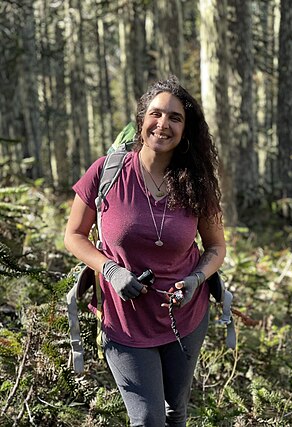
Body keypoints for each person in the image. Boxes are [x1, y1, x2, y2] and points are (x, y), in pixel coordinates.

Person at [64, 75, 226, 427]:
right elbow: (74, 236)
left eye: (175, 117)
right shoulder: (106, 172)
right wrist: (111, 270)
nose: (163, 124)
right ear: (141, 120)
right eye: (156, 113)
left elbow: (215, 246)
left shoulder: (197, 183)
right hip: (123, 319)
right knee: (149, 419)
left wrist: (197, 279)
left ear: (186, 130)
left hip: (184, 316)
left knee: (175, 412)